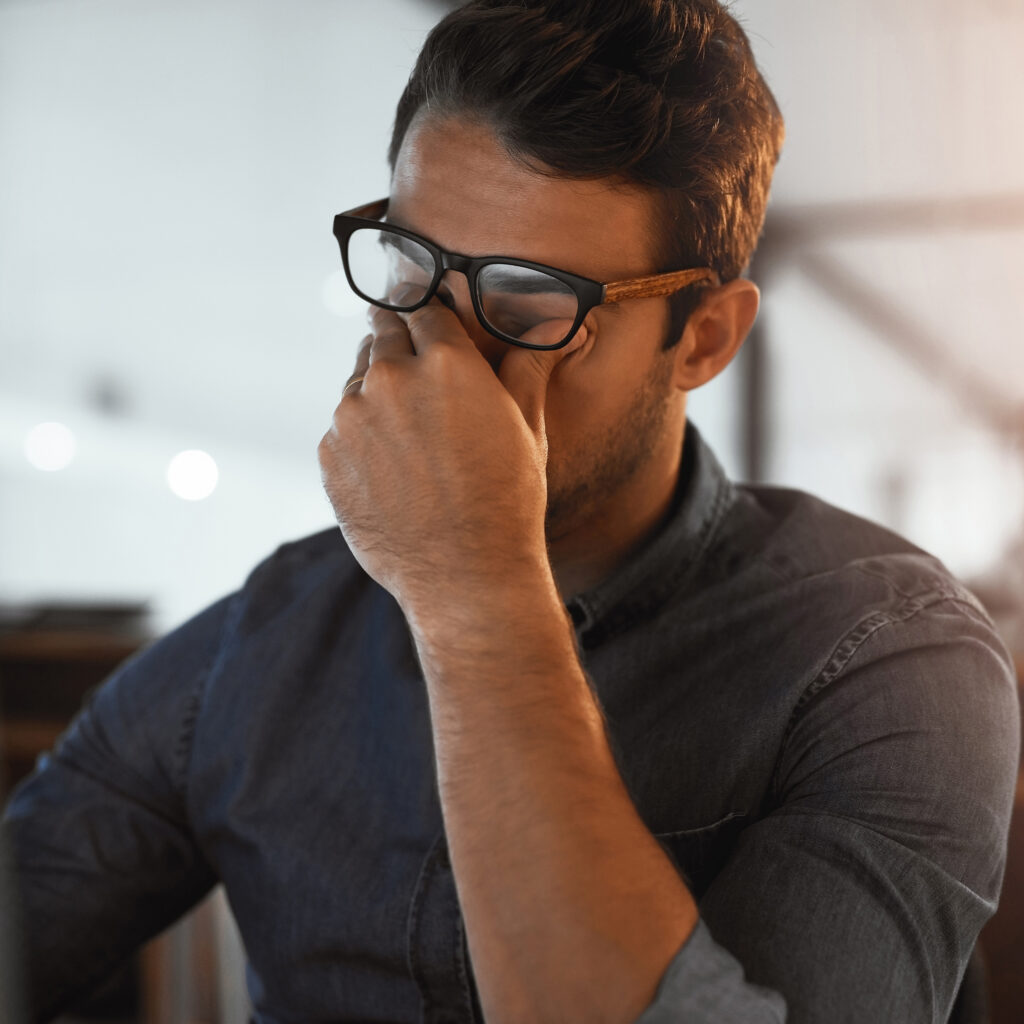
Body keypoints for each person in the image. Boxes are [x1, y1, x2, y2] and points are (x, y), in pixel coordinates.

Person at [3, 1, 1019, 1021]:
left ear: (702, 338)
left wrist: (474, 589)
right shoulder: (263, 642)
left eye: (528, 303)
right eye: (411, 267)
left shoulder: (884, 657)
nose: (437, 354)